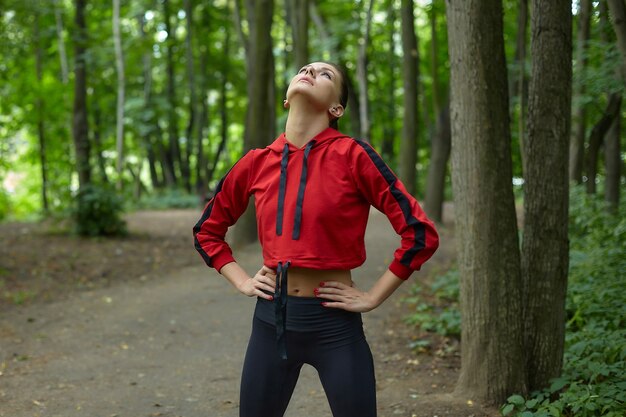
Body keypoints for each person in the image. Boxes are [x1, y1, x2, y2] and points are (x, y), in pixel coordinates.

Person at [193, 61, 439, 417]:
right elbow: (207, 231)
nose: (310, 73)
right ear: (286, 98)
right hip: (270, 324)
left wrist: (372, 297)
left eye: (325, 74)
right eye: (305, 69)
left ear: (336, 108)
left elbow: (419, 232)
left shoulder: (354, 156)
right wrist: (242, 280)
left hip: (335, 326)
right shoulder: (255, 162)